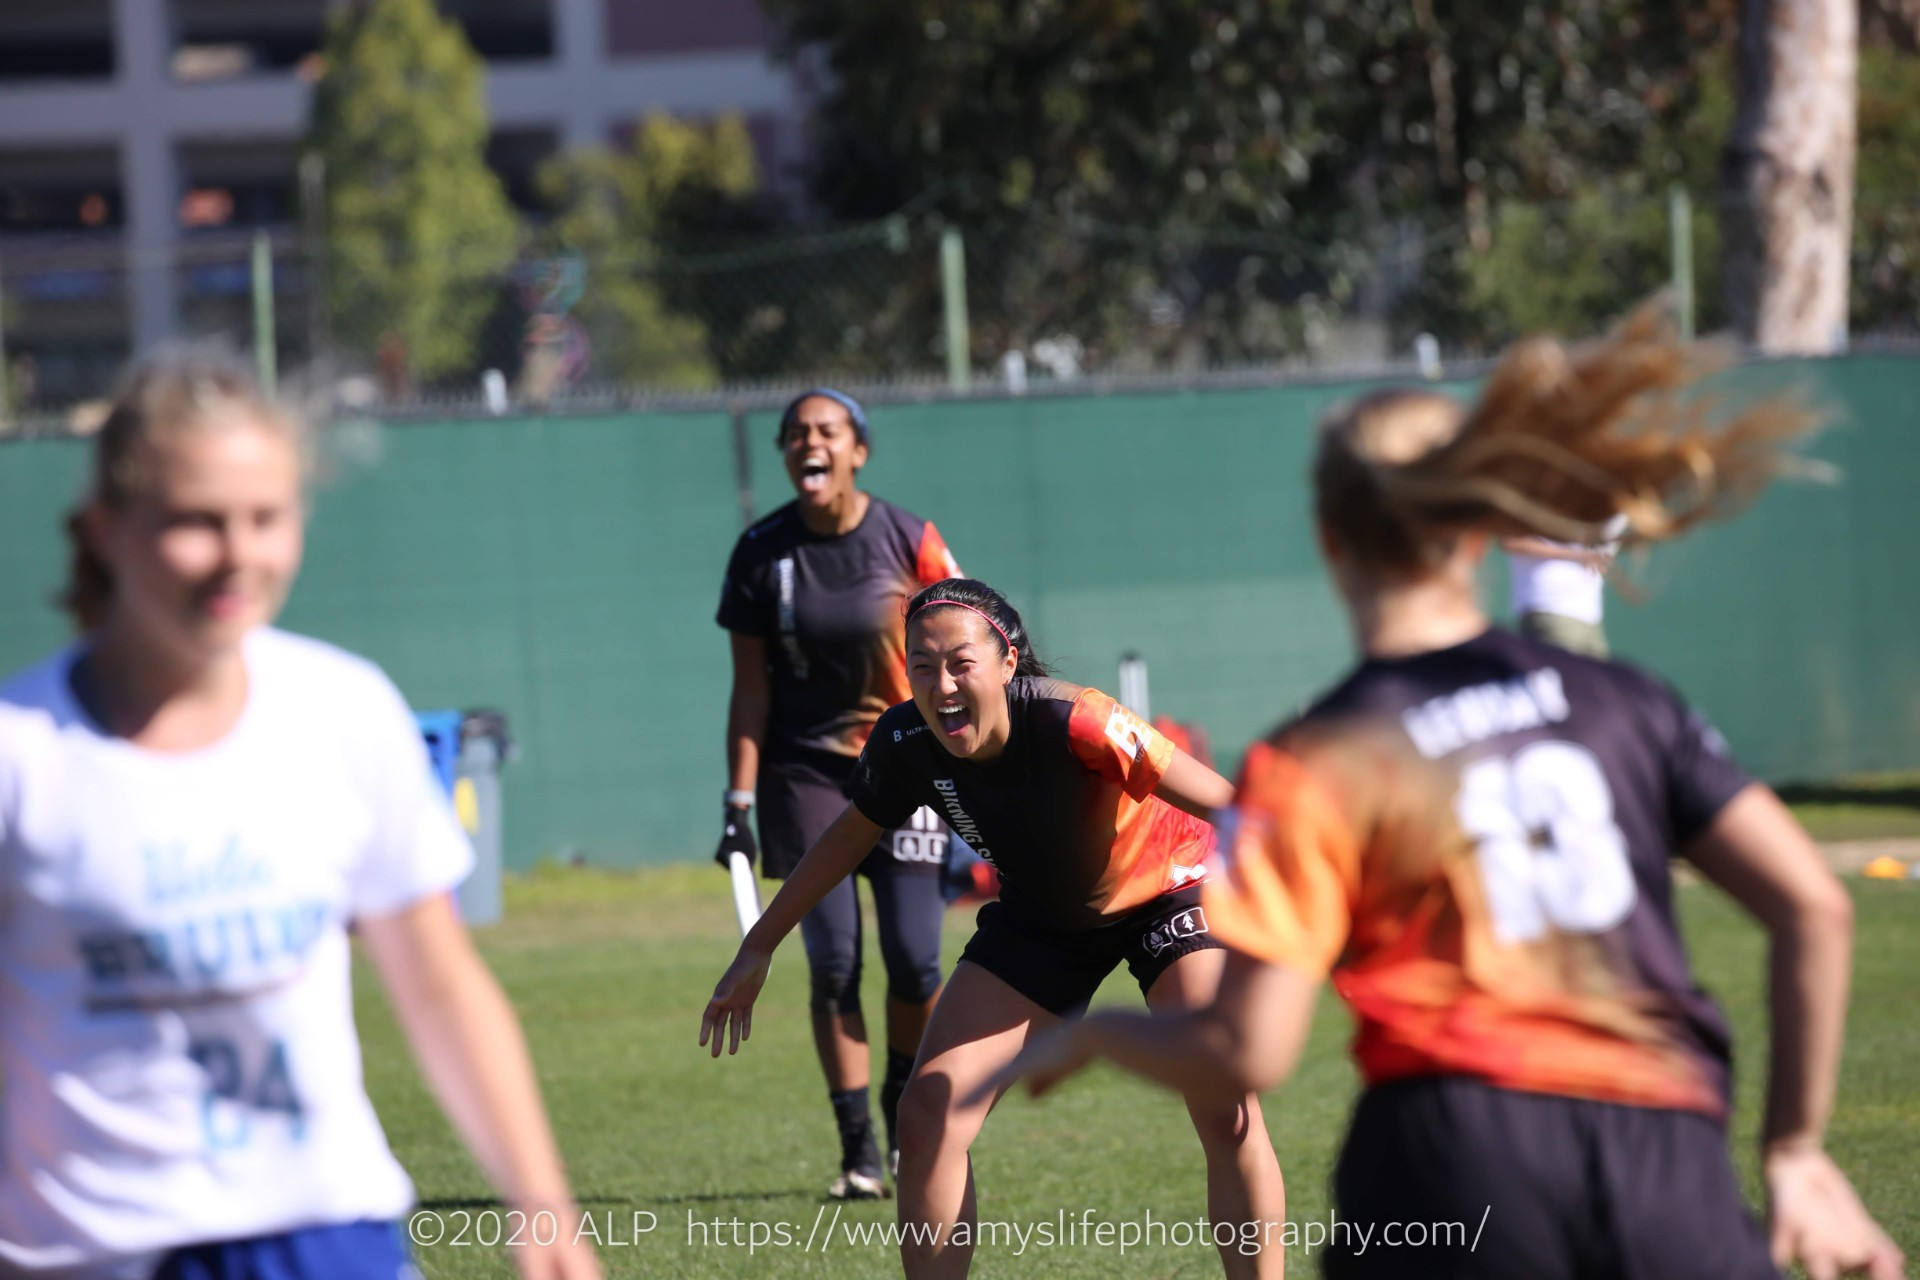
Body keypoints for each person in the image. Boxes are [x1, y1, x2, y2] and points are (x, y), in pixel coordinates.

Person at [989, 307, 1906, 1280]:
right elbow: (1814, 905)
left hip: (1449, 1159)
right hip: (1666, 1155)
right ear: (1474, 538)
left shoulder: (1309, 761)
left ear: (1329, 539)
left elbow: (1248, 1050)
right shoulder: (1621, 700)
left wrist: (1100, 1033)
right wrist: (1794, 1149)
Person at [0, 351, 601, 1280]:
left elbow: (441, 986)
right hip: (93, 1253)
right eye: (197, 521)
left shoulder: (344, 712)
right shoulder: (23, 756)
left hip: (325, 1239)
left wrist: (541, 1203)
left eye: (266, 518)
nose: (238, 555)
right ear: (105, 530)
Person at [702, 578, 1287, 1280]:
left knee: (1224, 1103)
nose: (942, 685)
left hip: (1171, 890)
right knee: (928, 1112)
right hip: (1045, 917)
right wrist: (759, 944)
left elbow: (1232, 809)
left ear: (1008, 661)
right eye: (922, 665)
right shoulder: (905, 741)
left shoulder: (1077, 720)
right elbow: (848, 836)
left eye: (960, 663)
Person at [714, 388, 963, 1199]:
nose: (807, 443)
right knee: (833, 965)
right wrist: (738, 805)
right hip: (805, 777)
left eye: (826, 431)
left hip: (907, 764)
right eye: (794, 434)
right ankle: (858, 1151)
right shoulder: (760, 552)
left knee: (916, 962)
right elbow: (750, 690)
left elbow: (972, 632)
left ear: (859, 449)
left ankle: (900, 1115)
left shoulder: (910, 538)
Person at [1499, 513, 1629, 658]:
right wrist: (1579, 555)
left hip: (1589, 615)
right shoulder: (1533, 501)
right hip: (1549, 609)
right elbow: (1511, 541)